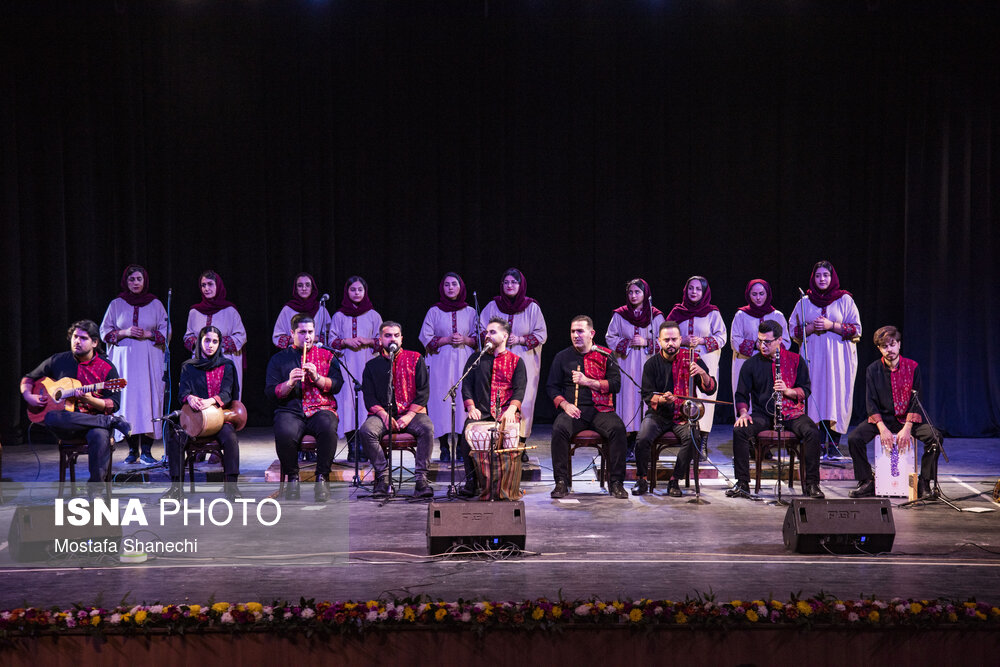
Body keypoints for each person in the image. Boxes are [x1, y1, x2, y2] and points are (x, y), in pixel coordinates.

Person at [20, 320, 131, 484]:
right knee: (51, 417)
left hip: (94, 426)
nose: (77, 341)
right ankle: (109, 421)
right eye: (75, 337)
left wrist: (90, 400)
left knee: (99, 435)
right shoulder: (59, 360)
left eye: (83, 338)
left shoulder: (107, 368)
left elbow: (113, 404)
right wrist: (29, 396)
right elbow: (28, 379)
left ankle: (96, 489)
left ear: (94, 342)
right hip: (69, 426)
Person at [729, 320, 825, 499]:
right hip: (763, 415)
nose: (762, 346)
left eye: (767, 342)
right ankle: (742, 483)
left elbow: (806, 389)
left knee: (812, 431)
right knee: (740, 430)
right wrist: (743, 413)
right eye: (759, 341)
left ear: (779, 340)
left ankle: (812, 484)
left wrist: (788, 391)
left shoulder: (796, 360)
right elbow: (741, 394)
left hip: (791, 414)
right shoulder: (751, 364)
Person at [847, 326, 942, 499]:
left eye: (892, 345)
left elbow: (916, 400)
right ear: (879, 349)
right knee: (854, 439)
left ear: (899, 344)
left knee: (935, 438)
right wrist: (882, 428)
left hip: (907, 420)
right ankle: (867, 481)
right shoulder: (872, 370)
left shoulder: (913, 367)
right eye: (884, 346)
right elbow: (871, 402)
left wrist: (907, 428)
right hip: (883, 419)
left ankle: (924, 481)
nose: (889, 350)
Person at [546, 316, 629, 500]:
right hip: (574, 411)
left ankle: (616, 483)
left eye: (580, 331)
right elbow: (551, 387)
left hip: (601, 410)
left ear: (591, 333)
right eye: (573, 331)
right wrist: (565, 405)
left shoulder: (606, 355)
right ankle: (561, 482)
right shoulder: (562, 357)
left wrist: (588, 382)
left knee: (617, 429)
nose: (576, 335)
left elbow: (616, 385)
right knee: (559, 429)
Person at [632, 321, 717, 497]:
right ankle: (641, 479)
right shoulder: (651, 364)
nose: (670, 343)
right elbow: (647, 395)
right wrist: (662, 399)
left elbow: (710, 388)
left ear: (680, 340)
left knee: (693, 438)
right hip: (658, 415)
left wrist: (702, 373)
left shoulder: (693, 359)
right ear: (659, 342)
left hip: (684, 415)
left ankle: (674, 481)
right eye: (666, 340)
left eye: (674, 339)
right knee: (642, 438)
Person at [264, 314, 343, 502]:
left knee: (327, 426)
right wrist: (289, 383)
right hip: (290, 410)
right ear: (292, 333)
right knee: (284, 431)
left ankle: (322, 478)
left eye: (310, 332)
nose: (307, 337)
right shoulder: (279, 359)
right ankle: (293, 478)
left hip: (320, 408)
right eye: (302, 332)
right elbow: (270, 392)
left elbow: (338, 384)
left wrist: (317, 378)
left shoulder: (327, 356)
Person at [789, 261, 861, 454]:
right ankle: (817, 444)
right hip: (813, 358)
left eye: (826, 275)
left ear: (832, 277)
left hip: (838, 360)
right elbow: (793, 331)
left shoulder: (845, 300)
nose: (822, 279)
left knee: (835, 397)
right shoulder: (804, 302)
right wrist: (811, 328)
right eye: (818, 275)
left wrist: (832, 326)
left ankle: (834, 445)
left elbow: (856, 329)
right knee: (815, 397)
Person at [163, 326, 241, 500]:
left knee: (230, 438)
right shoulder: (188, 366)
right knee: (175, 436)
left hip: (218, 418)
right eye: (207, 340)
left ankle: (232, 487)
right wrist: (189, 398)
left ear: (219, 344)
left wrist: (211, 401)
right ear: (200, 342)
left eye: (215, 341)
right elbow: (182, 392)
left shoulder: (227, 365)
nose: (210, 345)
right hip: (193, 418)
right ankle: (176, 488)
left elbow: (228, 393)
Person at [358, 322, 435, 498]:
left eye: (395, 335)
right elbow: (368, 396)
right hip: (383, 415)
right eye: (387, 335)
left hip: (412, 414)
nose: (392, 338)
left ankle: (421, 480)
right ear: (380, 339)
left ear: (401, 338)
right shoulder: (372, 365)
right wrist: (384, 415)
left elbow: (424, 392)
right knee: (367, 430)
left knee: (427, 428)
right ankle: (383, 478)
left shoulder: (415, 358)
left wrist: (409, 416)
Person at [100, 264, 168, 464]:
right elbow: (104, 331)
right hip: (124, 363)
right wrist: (124, 332)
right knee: (128, 403)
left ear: (144, 280)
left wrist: (149, 334)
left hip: (149, 361)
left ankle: (146, 451)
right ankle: (132, 451)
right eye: (132, 279)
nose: (136, 283)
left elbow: (166, 330)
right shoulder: (116, 304)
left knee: (148, 402)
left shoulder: (155, 304)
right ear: (126, 282)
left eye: (139, 279)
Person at [480, 268, 547, 459]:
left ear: (521, 285)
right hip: (497, 361)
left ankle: (520, 442)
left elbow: (542, 334)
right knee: (497, 398)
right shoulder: (493, 306)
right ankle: (497, 441)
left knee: (524, 400)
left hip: (523, 360)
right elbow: (481, 329)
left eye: (514, 282)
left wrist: (520, 339)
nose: (510, 286)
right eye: (506, 282)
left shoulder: (532, 307)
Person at [458, 317, 527, 497]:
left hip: (506, 412)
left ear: (505, 336)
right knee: (465, 436)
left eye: (492, 332)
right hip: (481, 412)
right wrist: (471, 407)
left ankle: (508, 484)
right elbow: (466, 385)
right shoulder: (476, 358)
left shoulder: (516, 361)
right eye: (486, 332)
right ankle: (471, 482)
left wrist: (512, 409)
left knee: (510, 433)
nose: (487, 335)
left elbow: (520, 389)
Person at [419, 272, 477, 462]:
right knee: (440, 401)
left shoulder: (470, 312)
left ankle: (461, 445)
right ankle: (444, 446)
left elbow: (480, 338)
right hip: (440, 362)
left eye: (454, 284)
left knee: (462, 400)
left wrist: (466, 339)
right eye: (446, 285)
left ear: (461, 287)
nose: (450, 288)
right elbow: (425, 337)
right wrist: (445, 339)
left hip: (463, 359)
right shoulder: (434, 311)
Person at [604, 278, 664, 458]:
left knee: (647, 400)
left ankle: (646, 441)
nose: (633, 295)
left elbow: (666, 339)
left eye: (637, 292)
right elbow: (610, 337)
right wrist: (627, 343)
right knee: (628, 400)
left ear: (645, 294)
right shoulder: (620, 314)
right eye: (630, 292)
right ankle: (629, 442)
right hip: (627, 363)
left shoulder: (656, 315)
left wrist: (646, 342)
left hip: (648, 363)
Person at [666, 276, 726, 444]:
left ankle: (703, 440)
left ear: (704, 292)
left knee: (704, 395)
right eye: (691, 288)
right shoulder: (677, 311)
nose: (694, 292)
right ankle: (685, 437)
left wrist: (702, 340)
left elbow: (722, 338)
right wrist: (681, 340)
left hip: (706, 359)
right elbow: (666, 333)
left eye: (698, 289)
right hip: (682, 360)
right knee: (683, 394)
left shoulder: (713, 312)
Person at [329, 276, 382, 459]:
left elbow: (382, 341)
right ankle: (353, 447)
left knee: (366, 404)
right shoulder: (339, 316)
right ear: (347, 292)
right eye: (353, 290)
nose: (357, 293)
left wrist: (367, 341)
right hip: (346, 366)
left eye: (360, 289)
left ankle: (367, 446)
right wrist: (345, 341)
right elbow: (331, 341)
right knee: (348, 406)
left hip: (368, 365)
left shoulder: (374, 315)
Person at [183, 270, 247, 400]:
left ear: (218, 286)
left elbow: (241, 336)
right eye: (203, 285)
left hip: (224, 362)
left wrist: (216, 344)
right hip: (200, 362)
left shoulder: (230, 311)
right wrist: (199, 343)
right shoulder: (194, 312)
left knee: (223, 398)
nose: (206, 288)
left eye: (210, 284)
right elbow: (187, 336)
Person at [730, 279, 789, 418]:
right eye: (754, 294)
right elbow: (734, 340)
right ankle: (745, 431)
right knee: (745, 396)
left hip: (770, 364)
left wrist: (770, 348)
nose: (758, 298)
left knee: (768, 397)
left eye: (761, 294)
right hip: (745, 363)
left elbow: (785, 340)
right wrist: (756, 345)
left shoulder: (777, 315)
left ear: (767, 294)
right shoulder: (741, 315)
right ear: (748, 295)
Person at [271, 272, 333, 349]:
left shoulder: (320, 309)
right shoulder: (288, 309)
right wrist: (297, 339)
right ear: (296, 289)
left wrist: (315, 338)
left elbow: (330, 337)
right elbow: (277, 338)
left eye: (307, 285)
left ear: (312, 288)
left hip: (316, 354)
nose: (304, 288)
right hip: (293, 354)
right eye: (300, 286)